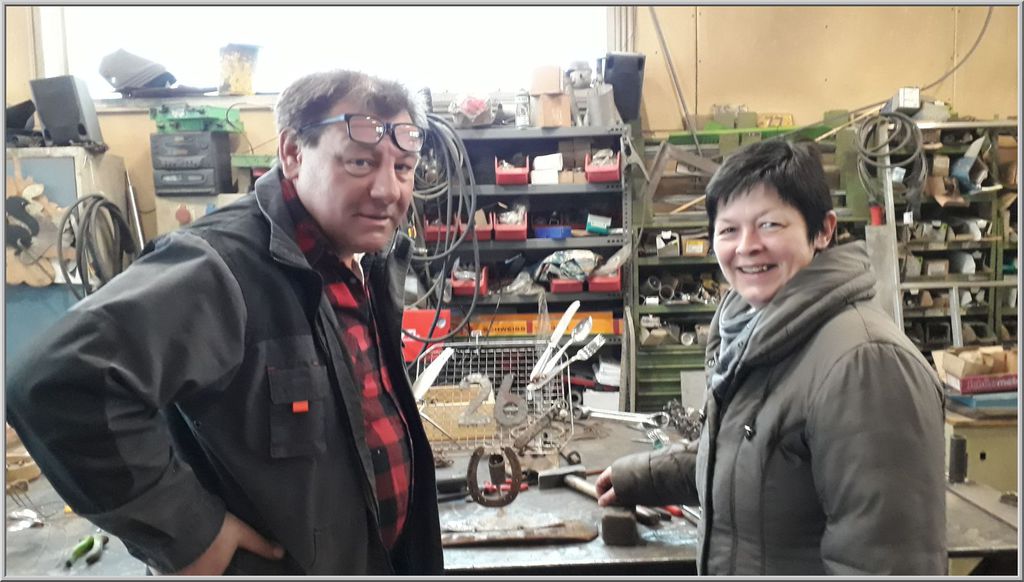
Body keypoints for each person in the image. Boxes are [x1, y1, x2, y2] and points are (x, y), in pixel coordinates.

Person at [6, 70, 444, 575]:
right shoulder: (222, 267)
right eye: (361, 162)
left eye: (403, 168)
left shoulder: (354, 260)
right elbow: (56, 384)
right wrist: (191, 533)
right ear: (293, 153)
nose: (388, 190)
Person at [595, 140, 947, 575]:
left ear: (823, 230)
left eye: (769, 225)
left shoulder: (866, 365)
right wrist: (642, 477)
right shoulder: (756, 331)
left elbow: (887, 564)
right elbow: (748, 457)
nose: (747, 246)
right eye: (728, 230)